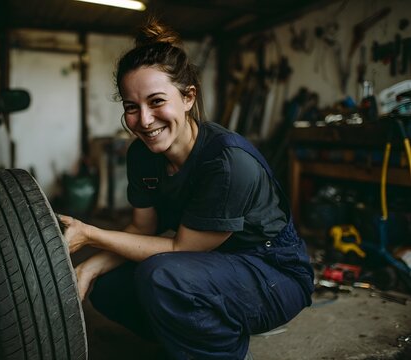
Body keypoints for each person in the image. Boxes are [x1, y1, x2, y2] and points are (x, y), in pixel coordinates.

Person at [58, 18, 314, 360]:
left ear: (188, 97)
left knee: (162, 275)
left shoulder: (226, 161)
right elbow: (141, 230)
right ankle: (192, 339)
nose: (144, 120)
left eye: (157, 101)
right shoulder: (142, 155)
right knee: (108, 287)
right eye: (132, 107)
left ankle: (220, 351)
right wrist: (90, 268)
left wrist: (89, 234)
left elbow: (181, 247)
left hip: (273, 272)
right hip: (216, 264)